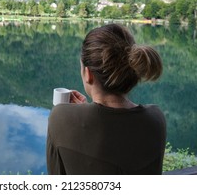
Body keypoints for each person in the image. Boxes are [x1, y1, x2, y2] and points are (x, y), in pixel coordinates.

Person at [46, 23, 166, 175]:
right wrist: (84, 111)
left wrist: (70, 115)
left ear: (88, 74)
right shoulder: (155, 119)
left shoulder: (60, 116)